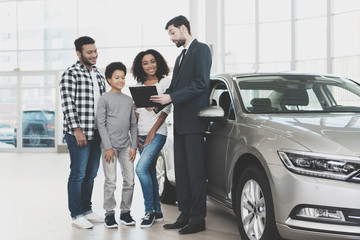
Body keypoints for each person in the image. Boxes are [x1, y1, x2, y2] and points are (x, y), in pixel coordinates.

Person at [150, 15, 212, 234]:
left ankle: (197, 220)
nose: (171, 38)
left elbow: (201, 84)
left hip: (194, 123)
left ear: (183, 28)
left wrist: (172, 98)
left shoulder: (201, 50)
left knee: (195, 173)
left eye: (172, 33)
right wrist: (156, 104)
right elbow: (174, 88)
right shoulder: (179, 58)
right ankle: (184, 214)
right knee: (183, 173)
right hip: (180, 125)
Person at [60, 36, 106, 229]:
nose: (94, 55)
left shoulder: (98, 75)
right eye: (89, 52)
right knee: (78, 173)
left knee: (92, 173)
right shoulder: (70, 74)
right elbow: (67, 103)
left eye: (95, 51)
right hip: (79, 132)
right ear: (79, 53)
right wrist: (77, 129)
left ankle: (87, 209)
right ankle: (76, 214)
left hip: (97, 133)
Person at [131, 49, 172, 228]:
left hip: (157, 133)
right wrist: (134, 110)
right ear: (141, 66)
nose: (150, 65)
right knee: (149, 171)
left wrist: (152, 131)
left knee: (140, 170)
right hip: (140, 132)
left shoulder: (165, 82)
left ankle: (148, 212)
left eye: (152, 61)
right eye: (145, 63)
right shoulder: (139, 84)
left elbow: (166, 110)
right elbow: (138, 113)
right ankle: (157, 211)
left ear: (158, 62)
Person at [97, 62, 138, 229]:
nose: (120, 80)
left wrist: (134, 145)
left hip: (126, 146)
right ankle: (109, 213)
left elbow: (133, 125)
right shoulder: (104, 99)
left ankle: (125, 212)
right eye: (116, 77)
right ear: (109, 79)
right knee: (111, 181)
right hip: (110, 148)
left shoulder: (129, 100)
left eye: (122, 77)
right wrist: (107, 147)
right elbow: (101, 123)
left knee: (130, 180)